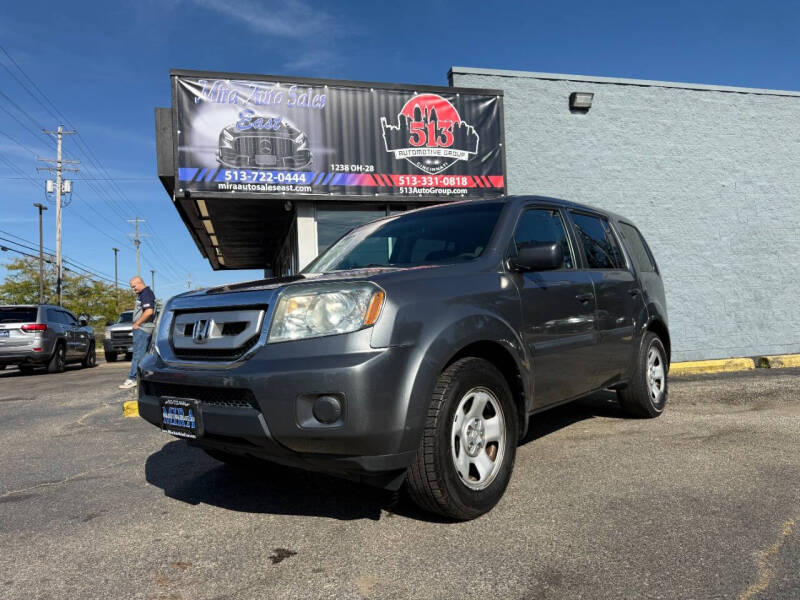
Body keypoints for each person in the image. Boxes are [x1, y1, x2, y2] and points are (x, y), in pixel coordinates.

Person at [119, 276, 156, 389]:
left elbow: (149, 311)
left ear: (140, 283)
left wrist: (137, 323)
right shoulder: (145, 293)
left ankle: (132, 378)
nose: (133, 289)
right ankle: (145, 379)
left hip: (143, 329)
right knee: (145, 356)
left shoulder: (145, 293)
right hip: (145, 328)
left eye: (134, 286)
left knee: (138, 355)